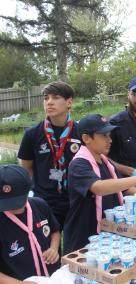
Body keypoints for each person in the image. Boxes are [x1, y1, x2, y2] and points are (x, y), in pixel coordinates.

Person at [63, 114, 136, 253]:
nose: (110, 140)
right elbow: (99, 187)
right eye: (104, 136)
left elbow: (122, 187)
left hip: (108, 234)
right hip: (84, 238)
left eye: (109, 135)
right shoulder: (79, 164)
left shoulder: (105, 161)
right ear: (86, 138)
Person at [18, 82, 80, 230]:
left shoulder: (81, 131)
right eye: (46, 98)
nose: (49, 102)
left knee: (76, 249)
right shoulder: (32, 134)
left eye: (56, 97)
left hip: (76, 199)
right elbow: (27, 170)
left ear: (69, 102)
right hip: (45, 201)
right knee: (50, 250)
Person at [0, 164, 61, 281]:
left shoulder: (40, 205)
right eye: (6, 203)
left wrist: (54, 248)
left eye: (17, 201)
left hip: (52, 277)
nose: (13, 207)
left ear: (28, 190)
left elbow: (55, 231)